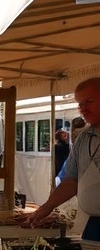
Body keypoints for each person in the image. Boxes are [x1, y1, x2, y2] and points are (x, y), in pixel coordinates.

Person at [27, 77, 100, 241]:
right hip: (93, 224)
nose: (83, 109)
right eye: (80, 104)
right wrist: (46, 208)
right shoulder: (83, 139)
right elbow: (71, 180)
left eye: (89, 102)